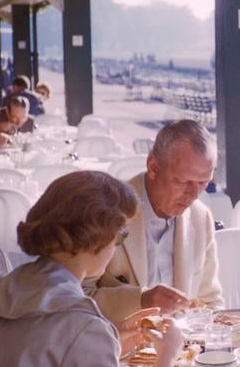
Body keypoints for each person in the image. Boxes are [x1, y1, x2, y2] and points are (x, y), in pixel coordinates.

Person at [0, 171, 185, 367]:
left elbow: (38, 366)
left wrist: (113, 340)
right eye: (120, 236)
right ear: (96, 238)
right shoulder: (83, 327)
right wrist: (165, 358)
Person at [84, 119, 222, 325]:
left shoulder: (200, 218)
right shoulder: (105, 211)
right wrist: (140, 300)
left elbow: (210, 302)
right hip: (115, 348)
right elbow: (75, 300)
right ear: (154, 166)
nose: (194, 195)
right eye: (184, 181)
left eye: (203, 183)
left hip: (181, 350)